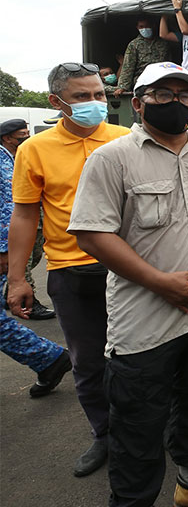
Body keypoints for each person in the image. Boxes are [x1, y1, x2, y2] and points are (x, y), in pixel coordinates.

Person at [69, 62, 188, 507]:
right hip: (145, 320)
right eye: (162, 95)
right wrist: (160, 282)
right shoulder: (112, 158)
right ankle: (132, 501)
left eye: (184, 95)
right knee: (137, 420)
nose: (176, 103)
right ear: (138, 103)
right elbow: (93, 232)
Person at [8, 62, 131, 477]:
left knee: (142, 357)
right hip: (71, 273)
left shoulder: (126, 139)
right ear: (56, 102)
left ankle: (151, 430)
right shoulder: (34, 150)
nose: (95, 103)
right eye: (82, 97)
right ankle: (106, 435)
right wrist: (19, 277)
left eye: (99, 94)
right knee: (89, 363)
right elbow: (25, 215)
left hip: (132, 270)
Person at [1, 118, 54, 319]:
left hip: (35, 216)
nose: (27, 137)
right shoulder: (1, 160)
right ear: (7, 138)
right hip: (11, 223)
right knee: (23, 260)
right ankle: (28, 303)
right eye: (22, 135)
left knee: (35, 255)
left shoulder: (22, 156)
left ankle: (9, 293)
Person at [113, 16, 170, 98]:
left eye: (147, 26)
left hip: (161, 80)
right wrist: (123, 87)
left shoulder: (163, 43)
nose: (145, 29)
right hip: (142, 81)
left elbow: (169, 63)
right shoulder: (134, 45)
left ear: (153, 25)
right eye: (141, 27)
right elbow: (128, 67)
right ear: (137, 28)